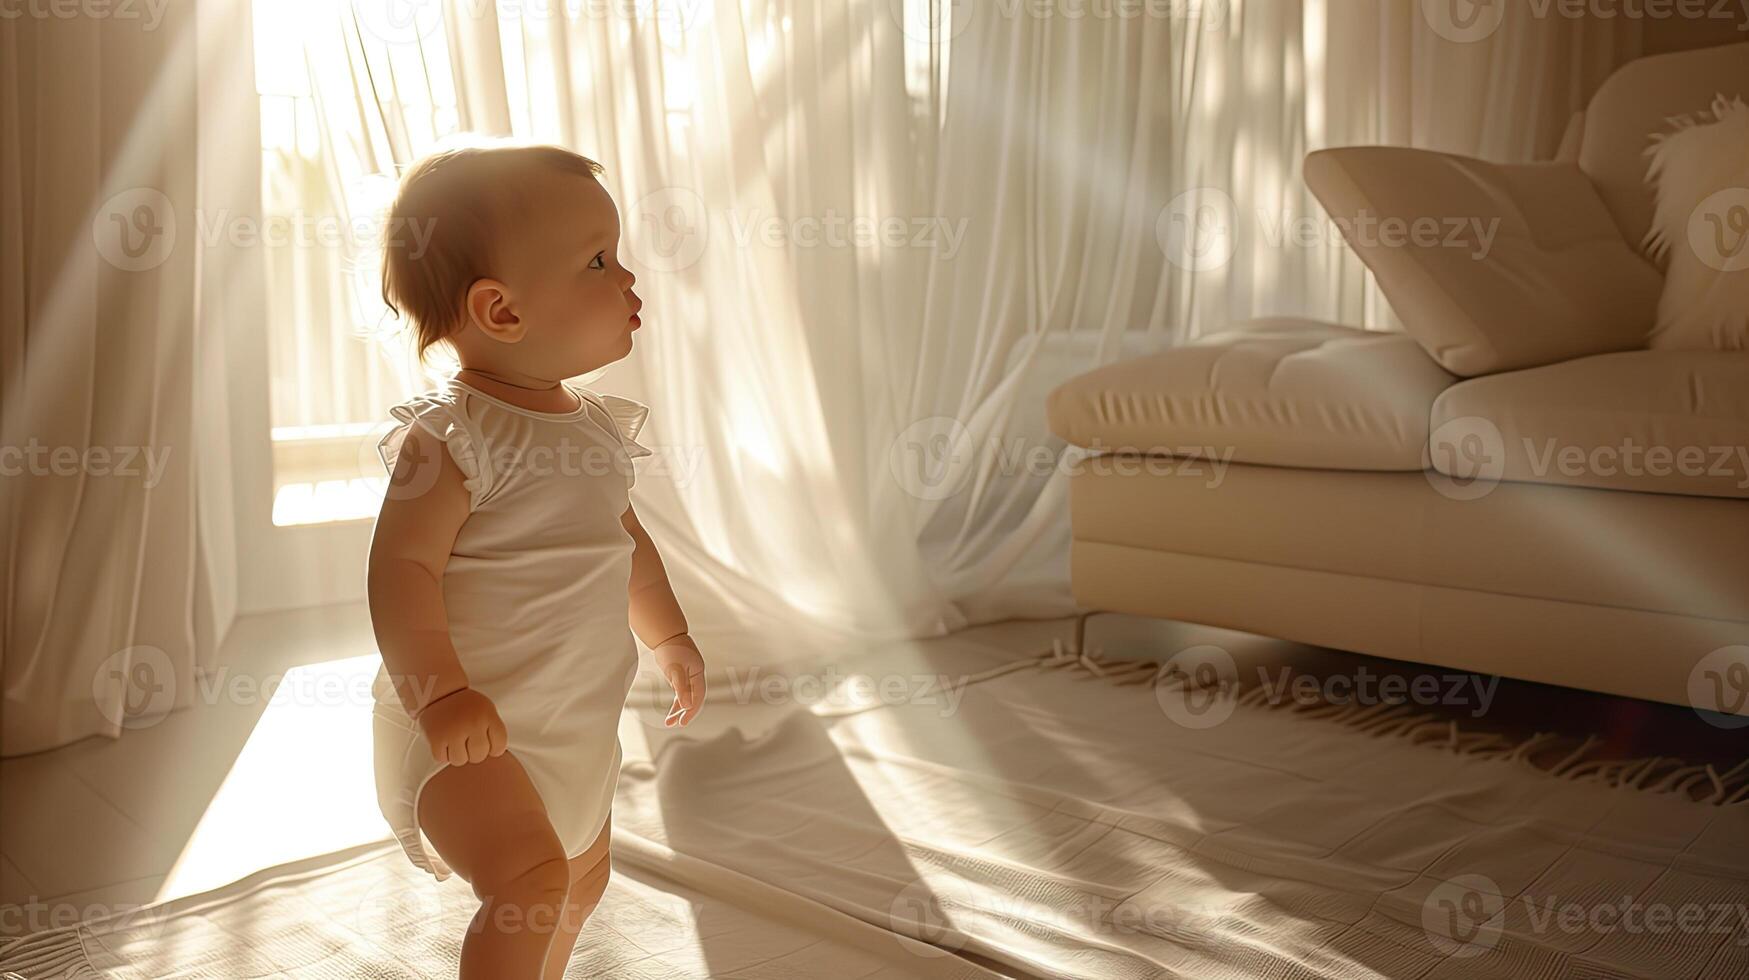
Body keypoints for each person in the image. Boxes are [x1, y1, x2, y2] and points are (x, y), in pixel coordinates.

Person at [365, 138, 706, 979]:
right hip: (461, 732)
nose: (627, 279)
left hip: (573, 732)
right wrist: (439, 694)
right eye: (598, 260)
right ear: (503, 311)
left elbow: (625, 546)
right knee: (529, 879)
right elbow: (398, 575)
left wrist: (669, 637)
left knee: (579, 882)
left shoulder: (592, 429)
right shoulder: (452, 437)